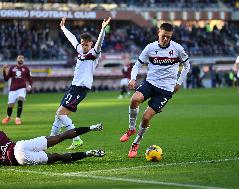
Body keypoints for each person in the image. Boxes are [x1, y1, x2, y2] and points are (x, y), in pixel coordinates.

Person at [119, 23, 190, 158]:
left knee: (146, 118)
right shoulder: (150, 48)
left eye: (168, 37)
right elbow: (137, 64)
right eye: (163, 36)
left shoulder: (177, 49)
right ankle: (131, 128)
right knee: (134, 99)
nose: (165, 39)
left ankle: (136, 143)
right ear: (158, 33)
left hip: (166, 90)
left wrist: (179, 83)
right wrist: (133, 78)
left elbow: (187, 65)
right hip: (150, 83)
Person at [49, 17, 111, 150]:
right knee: (58, 114)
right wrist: (63, 28)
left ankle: (76, 139)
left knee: (61, 114)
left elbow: (100, 42)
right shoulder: (79, 50)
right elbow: (72, 39)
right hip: (73, 87)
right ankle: (50, 139)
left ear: (91, 44)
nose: (83, 46)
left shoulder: (94, 53)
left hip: (80, 89)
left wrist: (103, 29)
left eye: (86, 44)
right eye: (82, 44)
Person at [0, 123, 104, 166]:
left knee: (57, 157)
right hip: (19, 146)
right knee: (60, 137)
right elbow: (6, 137)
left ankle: (88, 153)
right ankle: (91, 127)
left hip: (20, 158)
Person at [2, 55, 32, 125]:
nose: (20, 59)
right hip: (13, 89)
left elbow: (30, 78)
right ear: (16, 59)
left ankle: (18, 118)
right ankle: (8, 117)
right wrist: (4, 70)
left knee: (20, 100)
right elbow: (6, 79)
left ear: (23, 60)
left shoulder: (26, 68)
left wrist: (30, 85)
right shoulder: (12, 68)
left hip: (22, 88)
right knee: (10, 105)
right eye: (19, 58)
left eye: (22, 58)